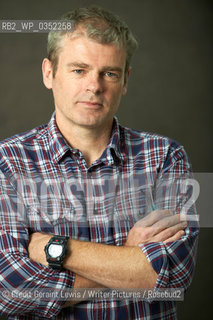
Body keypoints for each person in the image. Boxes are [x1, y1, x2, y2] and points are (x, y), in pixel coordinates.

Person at [0, 5, 198, 320]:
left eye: (109, 73)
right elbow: (9, 293)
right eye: (79, 70)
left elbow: (174, 277)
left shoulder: (168, 157)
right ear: (49, 73)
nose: (94, 86)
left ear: (126, 80)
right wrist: (131, 260)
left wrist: (57, 249)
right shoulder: (6, 163)